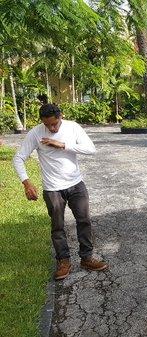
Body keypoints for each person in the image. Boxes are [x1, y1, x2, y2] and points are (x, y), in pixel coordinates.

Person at [13, 103, 108, 280]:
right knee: (57, 227)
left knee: (84, 221)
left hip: (76, 184)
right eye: (47, 125)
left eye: (54, 123)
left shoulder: (73, 127)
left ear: (61, 116)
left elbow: (91, 149)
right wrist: (26, 183)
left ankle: (86, 258)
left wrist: (63, 145)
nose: (51, 128)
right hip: (52, 189)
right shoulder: (35, 133)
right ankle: (63, 261)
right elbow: (18, 158)